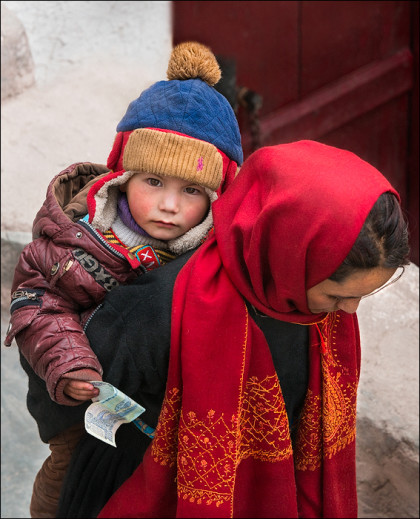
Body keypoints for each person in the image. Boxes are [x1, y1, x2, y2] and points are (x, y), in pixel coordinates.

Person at [54, 139, 410, 518]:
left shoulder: (313, 315)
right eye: (339, 295)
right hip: (146, 487)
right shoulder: (158, 307)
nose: (349, 311)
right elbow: (71, 404)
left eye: (361, 296)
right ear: (290, 262)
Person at [4, 41, 243, 518]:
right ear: (124, 174)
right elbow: (36, 300)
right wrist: (70, 366)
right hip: (81, 403)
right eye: (153, 182)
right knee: (66, 487)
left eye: (191, 190)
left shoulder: (214, 251)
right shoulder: (80, 235)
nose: (170, 206)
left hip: (159, 417)